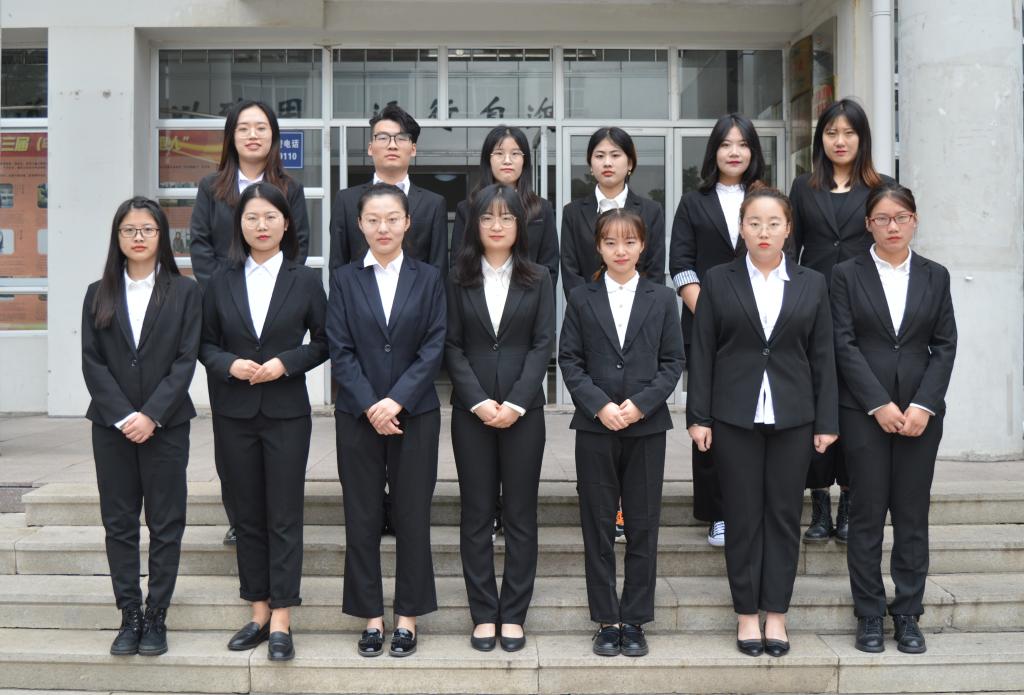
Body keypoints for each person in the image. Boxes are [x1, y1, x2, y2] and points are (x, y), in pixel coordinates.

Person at [686, 185, 838, 658]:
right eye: (754, 223)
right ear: (741, 229)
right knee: (742, 516)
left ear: (789, 229)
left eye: (774, 223)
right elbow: (703, 350)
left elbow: (823, 355)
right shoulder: (719, 279)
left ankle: (777, 614)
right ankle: (747, 614)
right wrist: (698, 416)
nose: (764, 232)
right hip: (734, 415)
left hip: (795, 416)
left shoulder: (812, 282)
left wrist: (827, 420)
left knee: (785, 516)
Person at [199, 182, 328, 662]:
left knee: (284, 515)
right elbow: (203, 343)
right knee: (248, 515)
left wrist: (286, 363)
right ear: (240, 225)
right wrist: (229, 364)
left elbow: (325, 341)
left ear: (286, 223)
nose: (261, 225)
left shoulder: (305, 279)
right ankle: (256, 610)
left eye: (270, 217)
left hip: (286, 412)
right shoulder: (220, 279)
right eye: (252, 217)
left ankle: (282, 618)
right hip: (234, 412)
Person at [832, 183, 956, 655]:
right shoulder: (846, 274)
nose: (892, 226)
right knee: (866, 513)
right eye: (882, 218)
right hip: (865, 413)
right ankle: (868, 613)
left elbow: (944, 344)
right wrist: (878, 403)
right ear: (869, 224)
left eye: (901, 217)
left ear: (914, 221)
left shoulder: (935, 275)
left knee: (911, 515)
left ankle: (907, 613)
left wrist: (924, 405)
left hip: (921, 416)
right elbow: (843, 343)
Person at [327, 183, 446, 658]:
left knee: (413, 516)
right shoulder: (344, 279)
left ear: (407, 223)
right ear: (360, 224)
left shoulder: (428, 277)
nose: (383, 228)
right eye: (373, 219)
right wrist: (370, 405)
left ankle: (408, 618)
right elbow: (340, 348)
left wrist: (395, 401)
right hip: (358, 417)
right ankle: (372, 617)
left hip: (415, 413)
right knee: (362, 516)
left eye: (392, 219)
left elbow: (434, 346)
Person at [558, 208, 684, 658]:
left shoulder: (662, 298)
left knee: (643, 524)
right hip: (595, 427)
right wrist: (599, 406)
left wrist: (641, 405)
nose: (620, 250)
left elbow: (673, 361)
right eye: (611, 242)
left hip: (646, 427)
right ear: (599, 247)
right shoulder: (582, 297)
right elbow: (569, 360)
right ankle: (606, 619)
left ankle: (634, 619)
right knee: (596, 525)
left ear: (643, 246)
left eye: (629, 242)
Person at [81, 196, 201, 657]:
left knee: (166, 522)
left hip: (166, 426)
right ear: (117, 237)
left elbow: (185, 359)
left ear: (161, 236)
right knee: (119, 523)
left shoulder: (185, 292)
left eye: (147, 230)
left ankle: (156, 615)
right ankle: (129, 614)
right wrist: (123, 415)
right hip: (110, 428)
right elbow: (92, 362)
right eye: (129, 230)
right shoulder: (98, 293)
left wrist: (151, 414)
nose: (138, 237)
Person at [189, 98, 311, 546]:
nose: (253, 135)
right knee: (231, 435)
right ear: (232, 136)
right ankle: (239, 518)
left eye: (261, 127)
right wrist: (225, 292)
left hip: (273, 315)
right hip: (226, 320)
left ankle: (275, 523)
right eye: (244, 128)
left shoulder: (289, 188)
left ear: (273, 136)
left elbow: (299, 245)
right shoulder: (211, 187)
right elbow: (200, 245)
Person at [446, 184, 554, 652]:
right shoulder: (456, 277)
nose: (496, 225)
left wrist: (515, 402)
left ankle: (514, 613)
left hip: (523, 413)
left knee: (520, 515)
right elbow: (451, 345)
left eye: (506, 218)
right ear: (474, 225)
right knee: (475, 514)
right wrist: (477, 400)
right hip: (471, 413)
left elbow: (542, 344)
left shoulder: (539, 277)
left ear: (519, 225)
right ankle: (482, 613)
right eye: (487, 217)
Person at [789, 98, 892, 544]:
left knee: (853, 407)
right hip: (812, 306)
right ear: (821, 139)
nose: (840, 141)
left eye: (849, 132)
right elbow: (791, 248)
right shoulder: (803, 187)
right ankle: (818, 505)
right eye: (831, 133)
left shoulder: (882, 187)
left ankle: (849, 501)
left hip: (864, 307)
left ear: (862, 138)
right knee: (816, 402)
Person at [669, 113, 767, 548]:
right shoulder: (694, 203)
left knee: (757, 418)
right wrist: (712, 313)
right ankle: (718, 513)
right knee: (708, 419)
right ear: (714, 151)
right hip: (705, 328)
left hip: (763, 329)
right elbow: (681, 264)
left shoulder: (767, 199)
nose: (734, 152)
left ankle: (754, 505)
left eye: (742, 144)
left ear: (753, 151)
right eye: (726, 144)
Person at [328, 103, 447, 274]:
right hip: (361, 291)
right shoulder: (346, 201)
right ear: (370, 148)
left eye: (401, 138)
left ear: (413, 149)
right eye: (383, 137)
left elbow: (439, 268)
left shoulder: (433, 204)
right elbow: (337, 266)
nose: (392, 145)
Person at [560, 126, 665, 298]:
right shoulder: (573, 213)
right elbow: (570, 272)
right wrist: (590, 308)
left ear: (630, 163)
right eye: (599, 156)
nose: (607, 163)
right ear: (590, 164)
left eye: (615, 155)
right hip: (587, 310)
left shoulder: (651, 211)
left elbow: (655, 271)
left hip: (640, 309)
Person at [450, 126, 559, 290]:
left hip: (528, 297)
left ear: (524, 160)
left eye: (515, 154)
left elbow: (550, 267)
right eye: (499, 153)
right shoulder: (468, 208)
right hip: (478, 297)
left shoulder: (542, 209)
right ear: (488, 160)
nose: (507, 160)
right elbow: (458, 265)